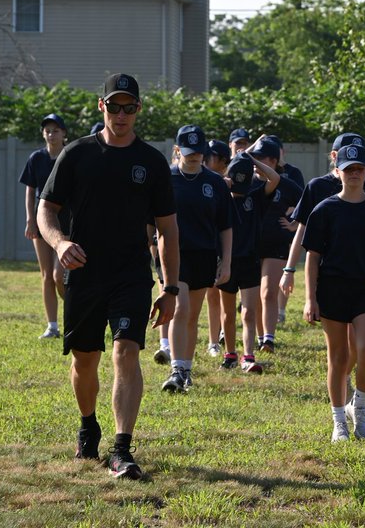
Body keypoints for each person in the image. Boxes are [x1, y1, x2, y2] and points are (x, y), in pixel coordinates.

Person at [37, 73, 179, 480]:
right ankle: (88, 426)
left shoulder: (151, 162)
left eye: (129, 107)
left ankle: (122, 448)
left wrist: (169, 287)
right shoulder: (78, 154)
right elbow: (45, 211)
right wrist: (61, 244)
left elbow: (168, 230)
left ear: (138, 110)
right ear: (102, 107)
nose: (121, 114)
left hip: (131, 275)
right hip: (84, 272)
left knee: (125, 351)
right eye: (114, 106)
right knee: (85, 359)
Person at [302, 144, 365, 442]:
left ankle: (360, 405)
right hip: (331, 288)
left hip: (363, 289)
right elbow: (313, 257)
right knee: (339, 357)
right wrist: (310, 298)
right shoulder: (325, 209)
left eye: (359, 168)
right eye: (348, 169)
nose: (354, 174)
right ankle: (338, 420)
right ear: (338, 171)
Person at [160, 125, 233, 393]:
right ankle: (177, 369)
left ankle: (186, 369)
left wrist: (226, 261)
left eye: (198, 153)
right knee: (180, 309)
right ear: (177, 150)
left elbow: (226, 226)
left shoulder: (214, 183)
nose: (193, 158)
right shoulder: (166, 179)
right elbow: (150, 219)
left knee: (192, 315)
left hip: (204, 254)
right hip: (173, 254)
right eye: (188, 153)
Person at [218, 151, 280, 374]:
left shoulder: (255, 197)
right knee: (227, 314)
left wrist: (252, 161)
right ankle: (229, 354)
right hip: (226, 263)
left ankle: (248, 355)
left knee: (249, 312)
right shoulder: (221, 195)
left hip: (250, 261)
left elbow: (275, 179)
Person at [250, 135, 302, 353]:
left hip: (276, 244)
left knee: (268, 291)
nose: (259, 163)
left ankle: (269, 339)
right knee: (254, 296)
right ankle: (261, 336)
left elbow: (306, 206)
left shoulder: (287, 183)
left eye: (264, 159)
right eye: (257, 158)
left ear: (274, 161)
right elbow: (236, 161)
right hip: (251, 244)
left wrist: (293, 223)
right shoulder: (247, 181)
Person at [21, 112, 68, 339]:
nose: (51, 134)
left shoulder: (69, 156)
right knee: (47, 275)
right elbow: (30, 190)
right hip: (41, 222)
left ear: (64, 133)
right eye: (47, 130)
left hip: (65, 224)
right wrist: (30, 218)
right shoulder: (36, 159)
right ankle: (52, 326)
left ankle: (74, 313)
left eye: (55, 130)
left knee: (61, 275)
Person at [202, 139, 233, 356]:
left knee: (218, 295)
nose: (206, 158)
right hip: (199, 245)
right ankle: (212, 340)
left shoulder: (222, 183)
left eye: (212, 155)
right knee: (208, 296)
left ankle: (217, 338)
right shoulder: (197, 178)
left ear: (223, 160)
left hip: (217, 245)